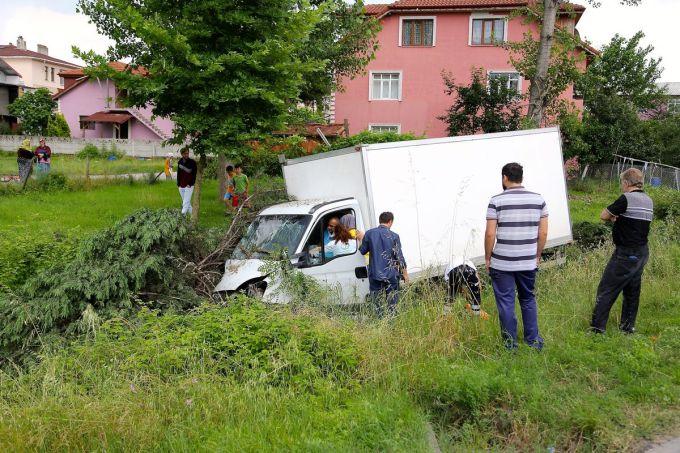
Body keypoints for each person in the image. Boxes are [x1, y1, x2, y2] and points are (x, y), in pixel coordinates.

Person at [485, 162, 548, 350]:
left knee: (506, 302)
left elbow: (490, 234)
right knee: (528, 299)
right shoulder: (539, 199)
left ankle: (510, 344)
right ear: (521, 177)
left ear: (504, 178)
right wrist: (537, 255)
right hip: (528, 261)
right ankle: (533, 340)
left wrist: (488, 258)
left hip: (502, 263)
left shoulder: (496, 200)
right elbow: (543, 233)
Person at [591, 168, 653, 334]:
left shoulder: (627, 198)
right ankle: (627, 327)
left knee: (607, 289)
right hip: (642, 252)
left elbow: (603, 215)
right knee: (632, 291)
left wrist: (613, 217)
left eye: (621, 183)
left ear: (626, 183)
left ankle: (597, 329)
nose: (621, 187)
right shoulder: (648, 200)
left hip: (626, 253)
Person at [359, 211, 408, 316]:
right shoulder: (394, 236)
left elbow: (362, 251)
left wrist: (361, 239)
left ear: (380, 221)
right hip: (391, 275)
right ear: (390, 221)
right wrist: (405, 274)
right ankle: (392, 323)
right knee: (393, 304)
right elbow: (399, 257)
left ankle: (379, 324)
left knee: (377, 304)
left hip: (375, 274)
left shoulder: (369, 234)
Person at [176, 147, 197, 215]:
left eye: (187, 153)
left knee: (185, 202)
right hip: (181, 185)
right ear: (182, 154)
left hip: (189, 186)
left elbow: (194, 174)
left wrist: (190, 184)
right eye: (185, 154)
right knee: (187, 202)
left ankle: (182, 216)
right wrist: (178, 184)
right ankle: (193, 216)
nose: (187, 155)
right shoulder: (180, 162)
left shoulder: (192, 162)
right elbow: (178, 174)